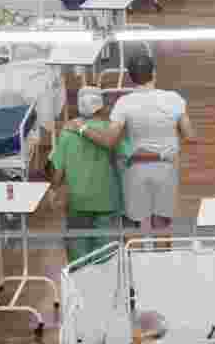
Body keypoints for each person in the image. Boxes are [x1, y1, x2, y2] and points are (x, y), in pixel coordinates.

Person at [64, 53, 195, 235]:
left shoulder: (124, 103)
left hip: (136, 170)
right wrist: (169, 142)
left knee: (136, 227)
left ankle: (138, 262)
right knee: (162, 226)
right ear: (154, 73)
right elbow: (189, 135)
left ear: (131, 77)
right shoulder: (174, 99)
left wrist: (81, 127)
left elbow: (109, 140)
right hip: (166, 169)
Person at [49, 86, 132, 263]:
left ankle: (81, 289)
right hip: (107, 201)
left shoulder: (67, 132)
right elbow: (128, 157)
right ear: (101, 106)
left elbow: (57, 172)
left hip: (77, 202)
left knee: (78, 257)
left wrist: (54, 190)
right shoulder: (111, 130)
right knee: (107, 255)